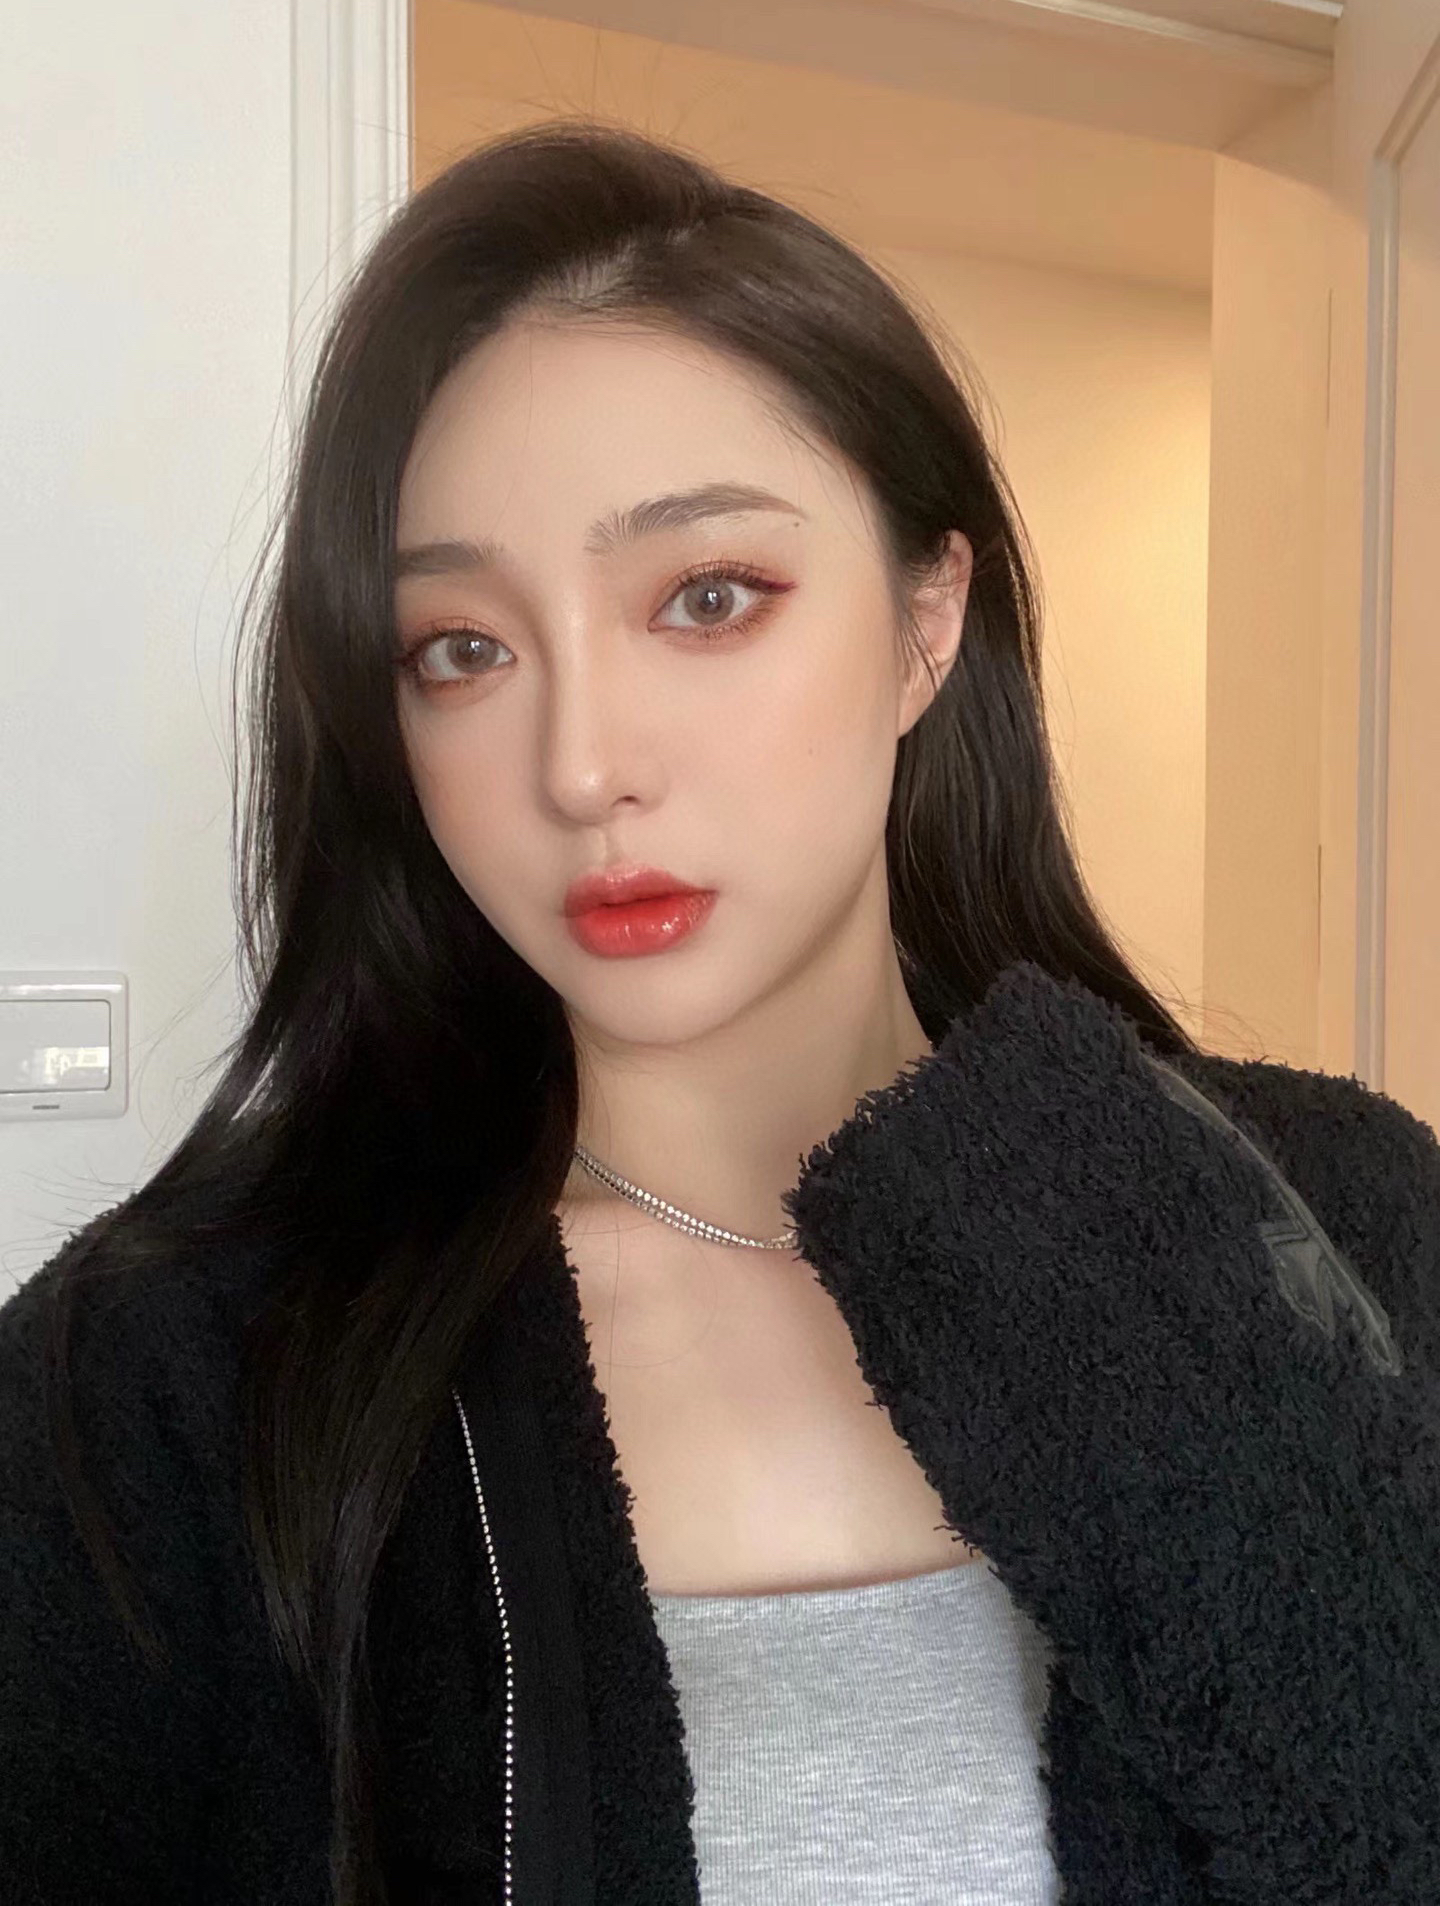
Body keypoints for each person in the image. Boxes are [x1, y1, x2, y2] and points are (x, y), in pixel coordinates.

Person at [2, 118, 1438, 1906]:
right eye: (463, 647)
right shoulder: (167, 1382)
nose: (581, 765)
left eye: (707, 598)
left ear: (927, 619)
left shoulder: (1337, 1223)